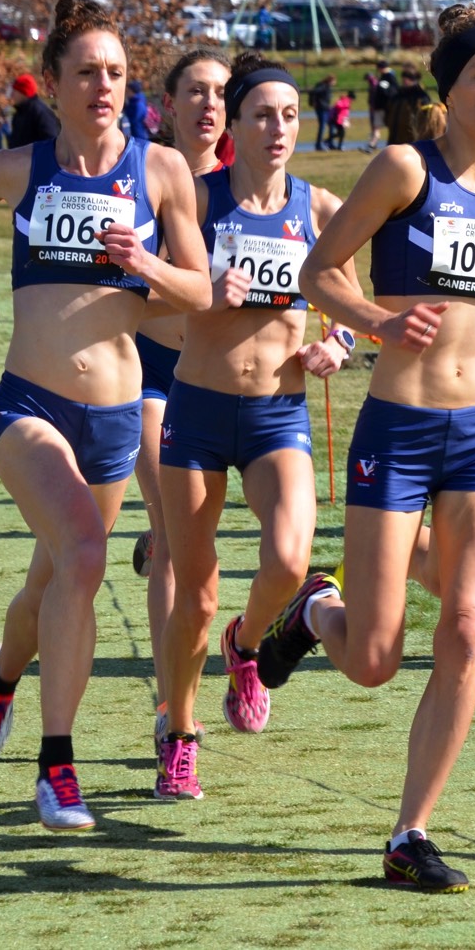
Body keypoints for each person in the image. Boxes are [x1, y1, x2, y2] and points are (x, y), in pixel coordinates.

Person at [261, 4, 475, 893]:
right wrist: (373, 318)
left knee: (469, 627)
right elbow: (318, 270)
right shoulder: (406, 167)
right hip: (398, 431)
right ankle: (312, 611)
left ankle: (410, 832)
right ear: (449, 86)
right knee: (372, 660)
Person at [0, 0, 212, 833]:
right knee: (82, 556)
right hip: (29, 404)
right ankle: (57, 768)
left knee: (53, 576)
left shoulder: (161, 173)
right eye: (86, 71)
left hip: (117, 416)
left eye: (116, 73)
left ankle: (0, 675)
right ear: (52, 82)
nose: (103, 85)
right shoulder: (23, 168)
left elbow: (201, 292)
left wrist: (145, 261)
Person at [154, 55, 354, 801]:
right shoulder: (197, 203)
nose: (277, 128)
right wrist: (203, 294)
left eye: (289, 115)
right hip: (198, 412)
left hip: (278, 413)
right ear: (234, 125)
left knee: (288, 558)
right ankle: (178, 735)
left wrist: (335, 344)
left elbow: (348, 309)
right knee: (193, 595)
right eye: (261, 115)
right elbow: (147, 301)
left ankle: (247, 642)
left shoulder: (318, 208)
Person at [128, 48, 229, 756]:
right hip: (148, 370)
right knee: (170, 531)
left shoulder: (244, 183)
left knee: (201, 547)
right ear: (167, 103)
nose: (208, 105)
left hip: (224, 379)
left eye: (220, 92)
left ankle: (227, 645)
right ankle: (172, 706)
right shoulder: (144, 177)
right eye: (194, 91)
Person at [7, 72, 61, 148]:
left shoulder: (40, 112)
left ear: (23, 92)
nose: (12, 95)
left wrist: (34, 157)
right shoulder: (20, 113)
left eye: (15, 91)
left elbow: (51, 140)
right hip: (22, 159)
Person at [385, 67, 431, 145]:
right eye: (404, 78)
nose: (405, 81)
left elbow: (426, 118)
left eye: (409, 78)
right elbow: (389, 113)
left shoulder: (421, 96)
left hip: (412, 139)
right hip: (394, 137)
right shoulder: (397, 95)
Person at [366, 62, 395, 149]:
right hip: (381, 106)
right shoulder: (385, 76)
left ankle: (374, 143)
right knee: (377, 126)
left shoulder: (388, 76)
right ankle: (373, 143)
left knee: (379, 125)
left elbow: (391, 91)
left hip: (383, 106)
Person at [309, 73, 334, 149]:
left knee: (331, 125)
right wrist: (317, 103)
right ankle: (318, 145)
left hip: (326, 108)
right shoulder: (323, 86)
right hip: (321, 109)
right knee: (322, 126)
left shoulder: (327, 87)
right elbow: (314, 91)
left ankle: (330, 142)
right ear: (331, 80)